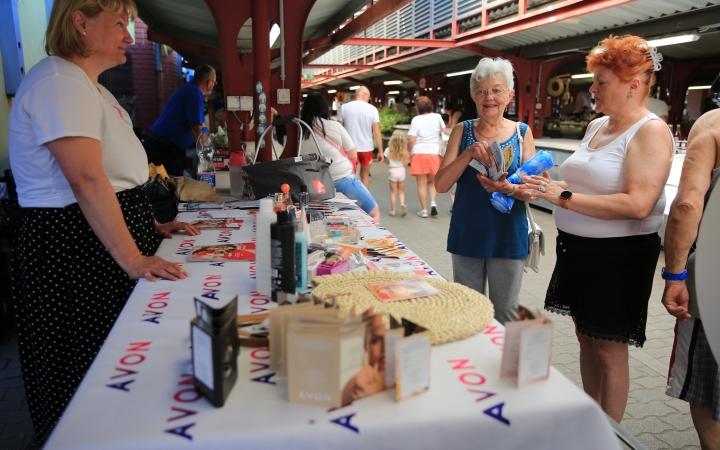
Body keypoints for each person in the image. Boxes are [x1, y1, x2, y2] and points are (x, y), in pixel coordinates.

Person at [8, 0, 200, 441]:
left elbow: (115, 178)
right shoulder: (59, 82)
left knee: (116, 355)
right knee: (89, 361)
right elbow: (86, 179)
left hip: (99, 236)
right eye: (119, 24)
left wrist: (149, 226)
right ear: (80, 22)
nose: (130, 38)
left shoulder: (87, 84)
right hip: (74, 245)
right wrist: (132, 257)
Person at [523, 35, 673, 423]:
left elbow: (638, 204)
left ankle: (610, 435)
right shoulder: (596, 126)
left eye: (601, 81)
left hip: (618, 259)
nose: (592, 89)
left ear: (633, 85)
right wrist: (540, 185)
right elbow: (583, 181)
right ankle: (592, 421)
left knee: (608, 349)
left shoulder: (650, 131)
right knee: (585, 340)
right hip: (577, 251)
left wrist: (565, 197)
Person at [435, 57, 536, 324]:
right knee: (469, 311)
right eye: (481, 91)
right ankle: (472, 365)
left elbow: (534, 191)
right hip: (468, 232)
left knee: (505, 313)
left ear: (510, 95)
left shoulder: (522, 133)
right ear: (473, 96)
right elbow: (441, 185)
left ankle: (503, 365)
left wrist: (508, 188)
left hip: (508, 235)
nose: (488, 97)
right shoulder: (462, 130)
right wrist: (468, 154)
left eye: (496, 89)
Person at [662, 96, 720, 447]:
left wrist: (675, 276)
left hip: (714, 279)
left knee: (705, 380)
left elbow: (686, 205)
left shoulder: (713, 124)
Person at [300, 92, 380, 221]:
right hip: (342, 180)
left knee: (325, 220)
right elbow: (353, 154)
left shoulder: (299, 130)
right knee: (373, 212)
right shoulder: (334, 126)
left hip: (315, 185)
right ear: (324, 108)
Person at [144, 64, 216, 176]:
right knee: (174, 186)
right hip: (162, 148)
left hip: (160, 145)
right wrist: (205, 156)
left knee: (174, 183)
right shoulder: (194, 92)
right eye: (214, 82)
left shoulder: (188, 89)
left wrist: (208, 143)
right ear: (210, 82)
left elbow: (201, 124)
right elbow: (196, 127)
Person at [337, 86, 384, 188]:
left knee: (351, 175)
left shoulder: (344, 107)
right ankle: (364, 202)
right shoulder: (372, 109)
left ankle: (352, 200)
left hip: (349, 148)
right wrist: (380, 151)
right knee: (365, 175)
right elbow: (376, 132)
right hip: (366, 148)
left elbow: (338, 129)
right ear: (364, 95)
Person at [408, 96, 446, 217]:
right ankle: (433, 203)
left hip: (419, 153)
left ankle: (424, 210)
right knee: (432, 182)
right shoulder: (437, 117)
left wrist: (407, 151)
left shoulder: (416, 120)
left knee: (421, 183)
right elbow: (444, 131)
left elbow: (411, 139)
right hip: (434, 153)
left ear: (418, 107)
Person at [384, 130, 409, 217]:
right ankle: (402, 204)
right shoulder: (405, 150)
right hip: (401, 170)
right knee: (401, 191)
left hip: (392, 170)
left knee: (393, 192)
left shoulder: (388, 150)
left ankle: (393, 211)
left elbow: (387, 162)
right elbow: (406, 163)